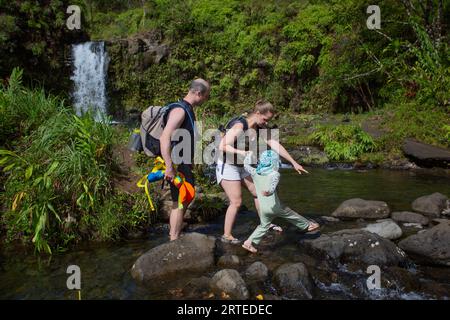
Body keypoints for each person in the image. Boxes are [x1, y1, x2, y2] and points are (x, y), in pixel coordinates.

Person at [217, 100, 309, 244]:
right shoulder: (240, 125)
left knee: (257, 192)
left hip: (243, 164)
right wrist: (242, 152)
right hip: (227, 165)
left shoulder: (260, 127)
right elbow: (222, 146)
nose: (266, 123)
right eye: (265, 119)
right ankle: (226, 235)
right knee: (236, 201)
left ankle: (265, 223)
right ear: (258, 113)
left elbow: (275, 145)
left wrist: (293, 162)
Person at [160, 78, 210, 241]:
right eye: (205, 96)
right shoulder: (180, 110)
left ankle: (174, 234)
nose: (205, 100)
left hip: (183, 163)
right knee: (179, 201)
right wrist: (169, 167)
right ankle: (174, 238)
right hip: (176, 164)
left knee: (184, 199)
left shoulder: (186, 109)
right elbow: (164, 137)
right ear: (197, 93)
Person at [241, 150, 320, 253]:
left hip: (263, 208)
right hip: (274, 206)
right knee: (290, 214)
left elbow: (246, 165)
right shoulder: (275, 174)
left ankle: (248, 243)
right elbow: (272, 187)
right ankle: (308, 225)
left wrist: (249, 155)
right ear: (274, 162)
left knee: (263, 226)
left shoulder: (255, 173)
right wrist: (268, 192)